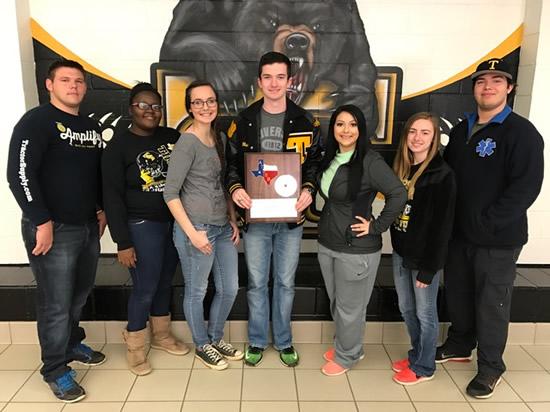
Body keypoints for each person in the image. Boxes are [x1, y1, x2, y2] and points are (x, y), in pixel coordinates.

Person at [438, 58, 544, 398]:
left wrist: (487, 222)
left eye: (497, 81)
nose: (488, 87)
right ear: (474, 88)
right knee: (459, 294)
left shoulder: (522, 133)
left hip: (497, 239)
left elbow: (525, 188)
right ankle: (459, 343)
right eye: (483, 81)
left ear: (509, 88)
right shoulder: (460, 129)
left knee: (491, 303)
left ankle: (490, 367)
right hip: (459, 235)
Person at [7, 59, 106, 403]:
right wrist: (41, 221)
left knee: (78, 294)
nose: (74, 86)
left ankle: (70, 342)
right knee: (55, 303)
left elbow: (95, 175)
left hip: (87, 226)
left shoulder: (90, 127)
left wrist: (100, 209)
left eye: (79, 81)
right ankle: (55, 369)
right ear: (50, 85)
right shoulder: (36, 121)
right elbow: (19, 174)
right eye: (66, 80)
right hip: (52, 228)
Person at [226, 51, 322, 367]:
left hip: (291, 218)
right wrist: (236, 188)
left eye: (280, 76)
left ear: (289, 81)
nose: (274, 83)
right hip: (256, 218)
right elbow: (231, 165)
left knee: (285, 282)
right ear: (259, 81)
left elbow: (315, 164)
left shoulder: (306, 120)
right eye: (267, 77)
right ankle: (256, 340)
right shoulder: (244, 120)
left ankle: (283, 341)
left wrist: (309, 189)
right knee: (256, 282)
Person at [102, 82, 189, 376]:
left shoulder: (172, 137)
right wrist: (122, 242)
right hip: (141, 226)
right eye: (143, 105)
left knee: (165, 281)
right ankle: (136, 346)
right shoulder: (118, 147)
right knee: (145, 287)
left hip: (173, 223)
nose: (150, 111)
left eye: (156, 106)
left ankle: (162, 335)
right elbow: (111, 197)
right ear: (131, 109)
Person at [317, 104, 407, 376]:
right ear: (333, 128)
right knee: (338, 303)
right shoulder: (332, 157)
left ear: (361, 129)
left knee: (350, 308)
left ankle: (347, 356)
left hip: (356, 249)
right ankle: (349, 345)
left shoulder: (370, 161)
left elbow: (398, 194)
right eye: (340, 124)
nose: (346, 130)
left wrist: (376, 226)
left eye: (353, 124)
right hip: (329, 243)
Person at [164, 80, 242, 370]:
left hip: (221, 228)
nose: (205, 107)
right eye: (198, 102)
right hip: (196, 229)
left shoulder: (218, 138)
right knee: (197, 291)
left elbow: (222, 185)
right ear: (189, 107)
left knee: (230, 288)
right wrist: (192, 233)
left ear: (217, 105)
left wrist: (232, 220)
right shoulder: (187, 142)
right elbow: (170, 193)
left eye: (210, 101)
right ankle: (201, 344)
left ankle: (215, 336)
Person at [390, 112, 456, 385]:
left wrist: (429, 269)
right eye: (413, 131)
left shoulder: (442, 175)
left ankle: (425, 366)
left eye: (425, 132)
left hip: (424, 258)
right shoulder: (402, 169)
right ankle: (417, 353)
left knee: (425, 313)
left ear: (435, 138)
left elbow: (443, 228)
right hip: (401, 251)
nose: (417, 137)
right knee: (406, 308)